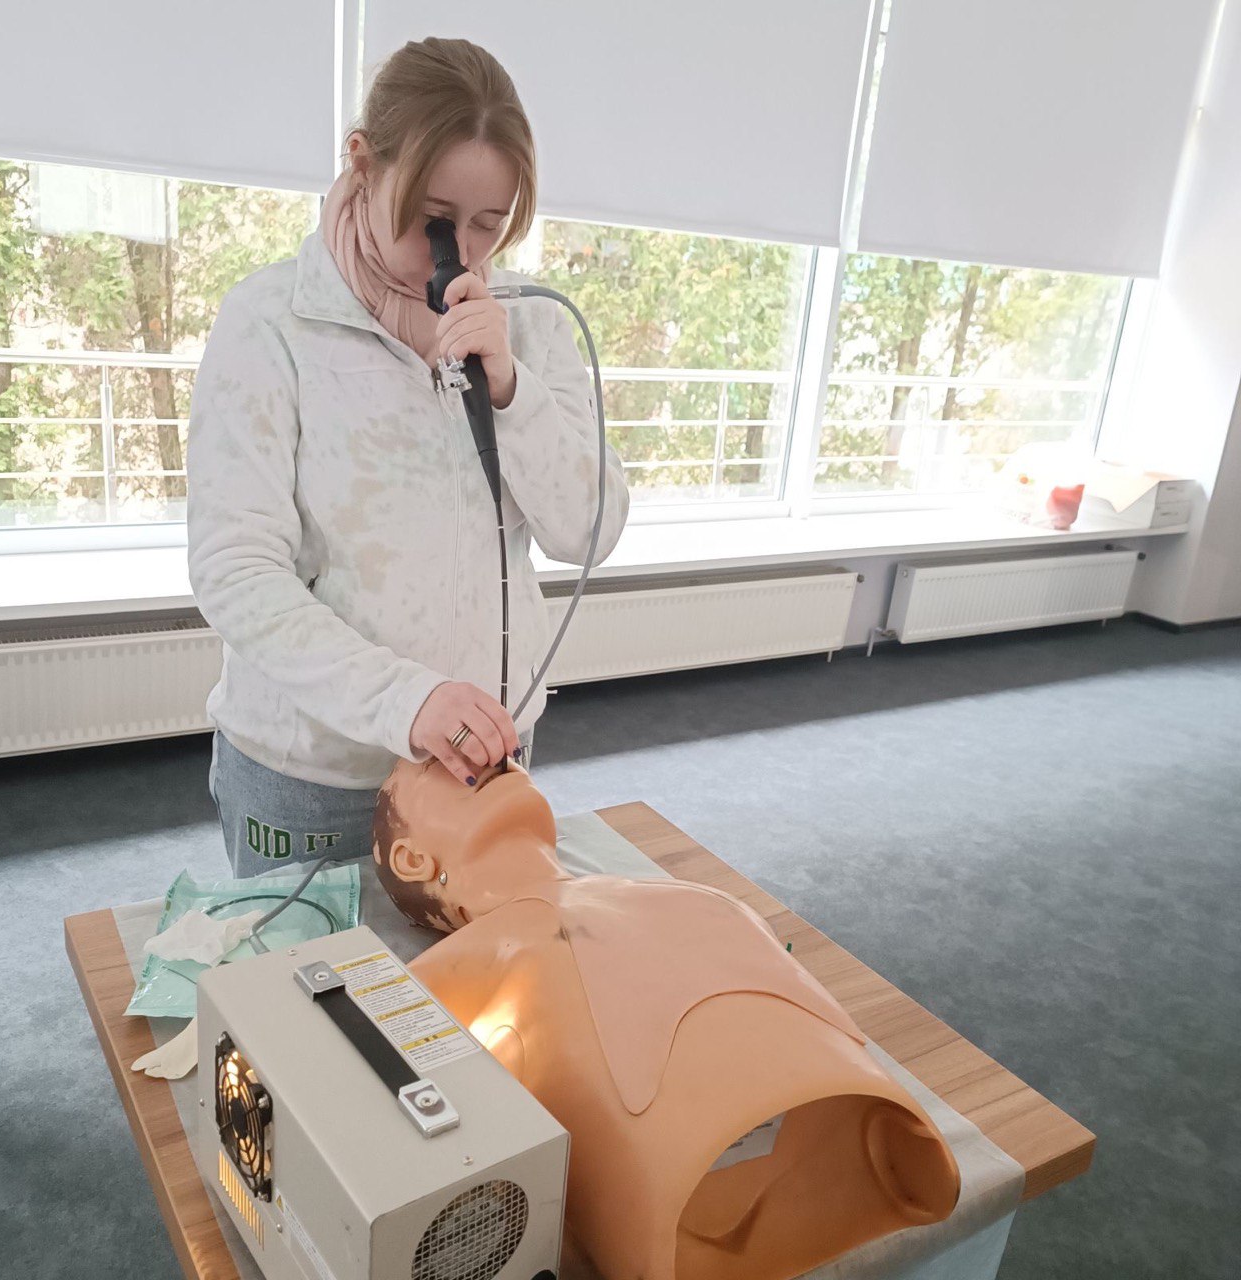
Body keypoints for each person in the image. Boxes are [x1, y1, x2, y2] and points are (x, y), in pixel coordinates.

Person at [186, 37, 629, 877]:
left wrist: (512, 390)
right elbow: (236, 571)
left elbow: (588, 532)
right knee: (315, 968)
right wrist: (406, 700)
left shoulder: (529, 324)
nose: (460, 250)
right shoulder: (271, 324)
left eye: (489, 224)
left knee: (481, 961)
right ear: (362, 163)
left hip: (481, 759)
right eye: (434, 217)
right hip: (318, 774)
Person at [372, 757, 961, 1279]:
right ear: (412, 858)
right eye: (441, 763)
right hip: (758, 1193)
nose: (490, 754)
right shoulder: (465, 962)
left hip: (861, 1138)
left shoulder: (693, 895)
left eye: (499, 751)